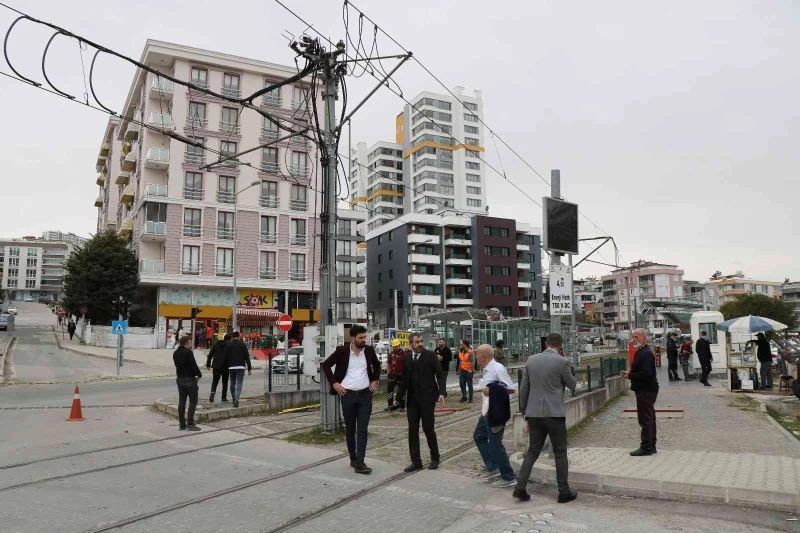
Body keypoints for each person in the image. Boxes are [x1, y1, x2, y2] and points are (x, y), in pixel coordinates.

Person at [514, 333, 577, 503]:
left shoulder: (531, 360)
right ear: (560, 346)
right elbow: (572, 384)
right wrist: (567, 366)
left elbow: (523, 389)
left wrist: (524, 411)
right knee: (560, 451)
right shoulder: (562, 362)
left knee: (533, 450)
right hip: (554, 414)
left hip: (534, 414)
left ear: (546, 344)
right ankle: (563, 492)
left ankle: (520, 487)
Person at [321, 325, 381, 475]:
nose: (363, 340)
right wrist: (334, 383)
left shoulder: (369, 351)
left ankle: (360, 461)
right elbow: (326, 365)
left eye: (364, 337)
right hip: (347, 395)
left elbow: (377, 366)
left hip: (365, 395)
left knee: (362, 429)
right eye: (360, 338)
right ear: (352, 338)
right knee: (350, 428)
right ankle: (353, 458)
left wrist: (375, 380)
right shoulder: (342, 351)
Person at [472, 344, 517, 489]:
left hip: (496, 413)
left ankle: (508, 476)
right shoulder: (487, 369)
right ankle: (493, 467)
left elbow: (510, 389)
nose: (475, 357)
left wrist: (490, 391)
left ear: (483, 356)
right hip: (486, 411)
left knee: (495, 446)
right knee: (479, 436)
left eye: (477, 354)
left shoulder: (498, 368)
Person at [400, 333, 446, 472]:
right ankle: (416, 461)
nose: (420, 344)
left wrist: (442, 393)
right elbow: (404, 379)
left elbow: (440, 374)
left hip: (427, 399)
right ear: (410, 344)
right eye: (416, 342)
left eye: (421, 341)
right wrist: (398, 399)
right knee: (412, 431)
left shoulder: (431, 355)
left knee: (428, 429)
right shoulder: (407, 357)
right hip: (412, 401)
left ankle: (435, 458)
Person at [623, 328, 659, 456]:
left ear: (644, 338)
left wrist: (631, 375)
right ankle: (651, 445)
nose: (633, 339)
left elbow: (647, 374)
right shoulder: (643, 352)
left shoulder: (645, 353)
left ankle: (646, 447)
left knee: (645, 419)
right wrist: (631, 374)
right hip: (646, 389)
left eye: (636, 337)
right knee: (649, 418)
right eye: (633, 337)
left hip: (646, 389)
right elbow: (644, 372)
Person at [173, 335, 202, 431]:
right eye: (190, 342)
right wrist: (199, 374)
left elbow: (178, 365)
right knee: (193, 401)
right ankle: (190, 423)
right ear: (187, 342)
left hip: (180, 379)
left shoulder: (175, 353)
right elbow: (193, 365)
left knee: (182, 401)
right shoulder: (188, 352)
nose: (191, 344)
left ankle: (182, 424)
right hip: (190, 379)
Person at [223, 331, 251, 407]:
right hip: (241, 367)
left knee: (232, 383)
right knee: (239, 383)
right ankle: (236, 398)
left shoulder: (228, 345)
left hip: (231, 367)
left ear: (232, 337)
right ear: (239, 336)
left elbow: (225, 357)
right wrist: (249, 368)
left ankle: (233, 397)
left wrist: (226, 366)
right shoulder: (243, 345)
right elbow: (247, 357)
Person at [206, 332, 231, 403]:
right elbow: (231, 357)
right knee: (225, 382)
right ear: (229, 340)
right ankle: (223, 397)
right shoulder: (229, 346)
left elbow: (210, 355)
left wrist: (208, 364)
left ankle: (212, 392)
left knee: (215, 381)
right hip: (225, 366)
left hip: (216, 366)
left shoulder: (216, 344)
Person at [386, 339, 406, 412]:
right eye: (394, 346)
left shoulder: (404, 354)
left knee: (401, 392)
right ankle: (390, 406)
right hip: (392, 375)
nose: (395, 348)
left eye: (396, 346)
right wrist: (388, 372)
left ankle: (402, 406)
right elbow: (388, 363)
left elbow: (406, 364)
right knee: (390, 390)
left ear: (399, 345)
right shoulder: (390, 354)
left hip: (401, 375)